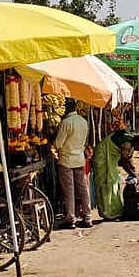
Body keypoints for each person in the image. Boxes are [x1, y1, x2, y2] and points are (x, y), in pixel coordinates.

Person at [91, 131, 139, 220]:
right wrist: (134, 175)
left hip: (111, 159)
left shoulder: (131, 140)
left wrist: (134, 173)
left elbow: (129, 159)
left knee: (114, 183)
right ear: (137, 143)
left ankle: (115, 210)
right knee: (107, 184)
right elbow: (124, 163)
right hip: (103, 157)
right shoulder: (127, 144)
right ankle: (108, 212)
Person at [53, 98, 92, 229]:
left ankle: (71, 218)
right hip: (79, 159)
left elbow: (58, 143)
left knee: (69, 190)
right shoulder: (83, 121)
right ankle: (87, 217)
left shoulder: (66, 122)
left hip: (66, 160)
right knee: (83, 188)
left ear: (67, 108)